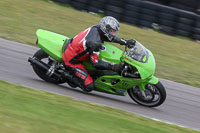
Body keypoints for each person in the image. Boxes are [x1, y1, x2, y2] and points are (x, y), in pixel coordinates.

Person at [62, 16, 134, 92]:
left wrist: (125, 42)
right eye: (112, 31)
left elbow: (109, 37)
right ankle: (66, 75)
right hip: (71, 61)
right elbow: (95, 63)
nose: (113, 33)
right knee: (89, 86)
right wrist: (113, 67)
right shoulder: (95, 43)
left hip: (74, 46)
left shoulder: (98, 28)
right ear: (106, 29)